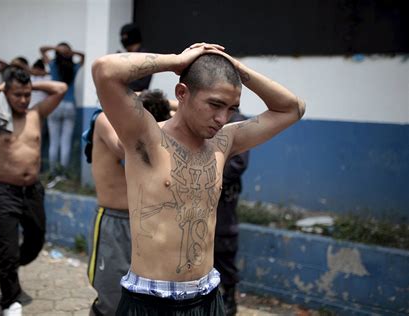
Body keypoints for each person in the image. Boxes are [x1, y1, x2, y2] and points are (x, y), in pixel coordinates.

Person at [92, 43, 305, 315]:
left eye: (231, 108)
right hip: (150, 301)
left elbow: (292, 108)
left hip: (206, 298)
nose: (221, 118)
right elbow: (104, 70)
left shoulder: (224, 142)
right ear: (182, 93)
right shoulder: (146, 137)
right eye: (215, 104)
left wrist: (234, 66)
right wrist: (176, 62)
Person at [0, 68, 67, 316]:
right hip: (3, 192)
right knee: (6, 249)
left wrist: (33, 85)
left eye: (27, 94)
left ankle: (9, 264)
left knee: (36, 239)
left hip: (32, 191)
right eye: (17, 95)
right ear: (7, 93)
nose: (23, 100)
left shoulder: (36, 113)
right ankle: (10, 300)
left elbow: (60, 88)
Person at [83, 89, 171, 316]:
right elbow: (125, 147)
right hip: (114, 222)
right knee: (111, 301)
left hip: (149, 222)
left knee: (146, 300)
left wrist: (171, 105)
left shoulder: (153, 126)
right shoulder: (105, 119)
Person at [213, 111, 250, 316]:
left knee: (224, 243)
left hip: (223, 198)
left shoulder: (237, 122)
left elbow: (238, 164)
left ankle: (229, 298)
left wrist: (212, 180)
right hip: (206, 196)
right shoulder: (213, 116)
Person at [40, 43, 84, 185]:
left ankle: (53, 174)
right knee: (66, 142)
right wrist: (70, 52)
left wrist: (57, 49)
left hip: (54, 104)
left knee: (54, 142)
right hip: (70, 105)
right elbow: (83, 56)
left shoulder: (53, 65)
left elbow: (42, 49)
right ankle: (63, 175)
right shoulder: (74, 67)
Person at [119, 23, 152, 92]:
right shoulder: (129, 56)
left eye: (124, 37)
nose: (122, 40)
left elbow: (141, 84)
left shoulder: (144, 57)